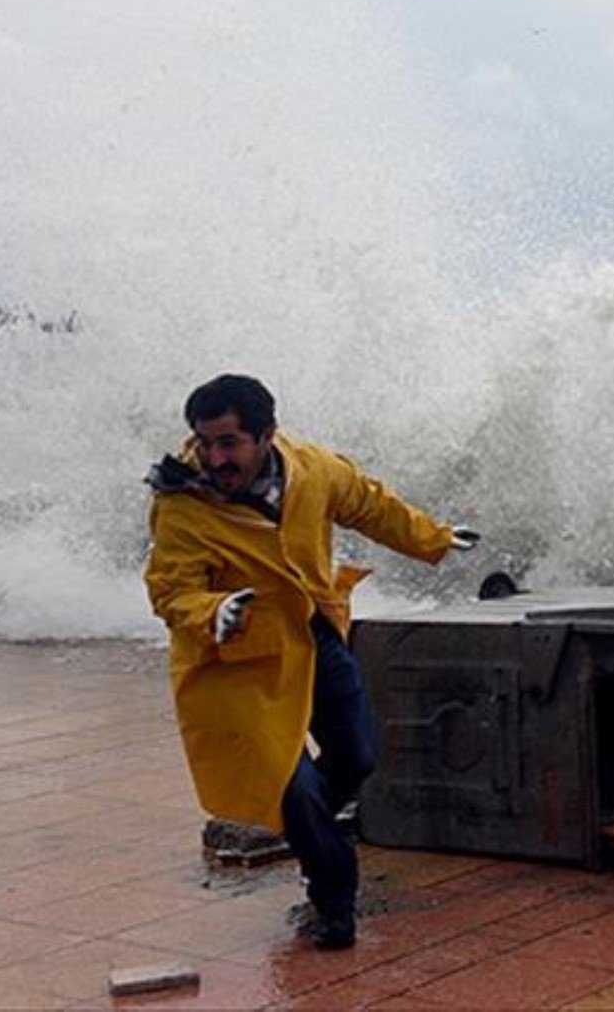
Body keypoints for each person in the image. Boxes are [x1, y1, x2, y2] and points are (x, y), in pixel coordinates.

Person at [143, 374, 477, 949]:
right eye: (205, 442)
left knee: (358, 754)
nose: (214, 457)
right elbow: (170, 590)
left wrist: (435, 539)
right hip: (236, 662)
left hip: (312, 632)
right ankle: (332, 900)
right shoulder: (182, 506)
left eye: (229, 443)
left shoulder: (312, 470)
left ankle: (308, 827)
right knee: (292, 788)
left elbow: (371, 505)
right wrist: (212, 610)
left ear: (267, 435)